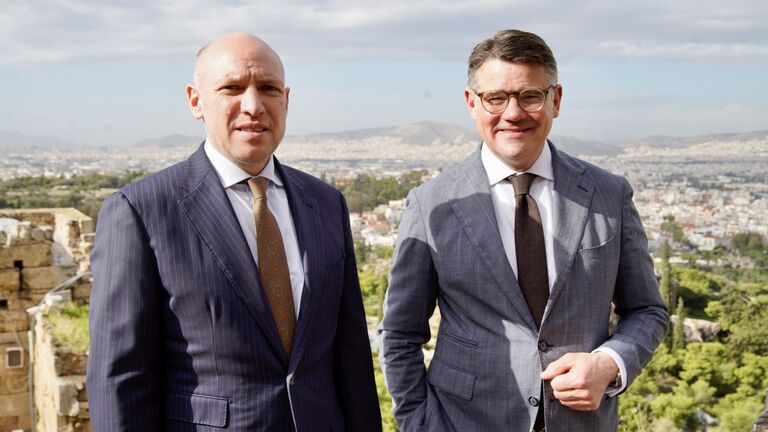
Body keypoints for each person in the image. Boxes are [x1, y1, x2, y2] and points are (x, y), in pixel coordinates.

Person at [87, 32, 381, 431]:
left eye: (268, 88)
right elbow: (120, 377)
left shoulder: (326, 203)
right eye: (232, 88)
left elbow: (351, 360)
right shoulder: (141, 211)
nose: (254, 106)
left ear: (286, 100)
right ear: (195, 100)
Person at [379, 29, 669, 432]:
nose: (513, 113)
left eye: (530, 96)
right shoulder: (432, 205)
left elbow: (647, 311)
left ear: (556, 100)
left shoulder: (608, 194)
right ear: (471, 104)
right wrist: (419, 423)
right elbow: (398, 335)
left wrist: (609, 363)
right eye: (496, 98)